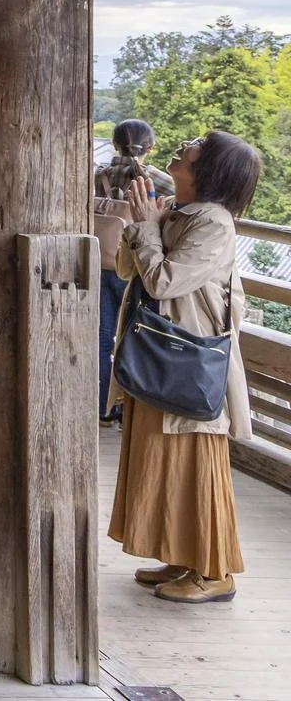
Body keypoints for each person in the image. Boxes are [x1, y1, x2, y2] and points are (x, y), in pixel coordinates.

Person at [108, 130, 259, 605]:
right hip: (161, 354)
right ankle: (182, 555)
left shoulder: (213, 223)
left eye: (198, 143)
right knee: (163, 458)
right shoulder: (175, 209)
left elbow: (164, 281)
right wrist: (145, 222)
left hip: (189, 358)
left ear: (211, 168)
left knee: (197, 463)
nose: (185, 143)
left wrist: (148, 227)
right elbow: (127, 270)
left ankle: (216, 572)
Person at [96, 120, 175, 420]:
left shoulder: (98, 174)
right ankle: (132, 406)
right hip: (137, 264)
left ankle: (105, 405)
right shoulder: (156, 179)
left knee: (103, 336)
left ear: (114, 145)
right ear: (150, 148)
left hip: (100, 262)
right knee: (136, 334)